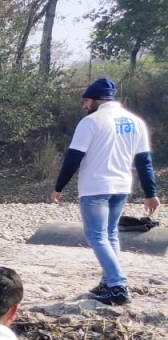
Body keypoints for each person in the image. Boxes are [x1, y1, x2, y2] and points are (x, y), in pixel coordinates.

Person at [51, 77, 159, 306]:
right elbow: (144, 161)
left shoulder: (91, 122)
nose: (84, 105)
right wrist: (151, 193)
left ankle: (118, 285)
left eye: (86, 101)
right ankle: (107, 282)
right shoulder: (136, 122)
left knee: (96, 235)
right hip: (122, 186)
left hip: (95, 187)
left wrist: (59, 187)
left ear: (97, 100)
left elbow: (73, 158)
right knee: (110, 235)